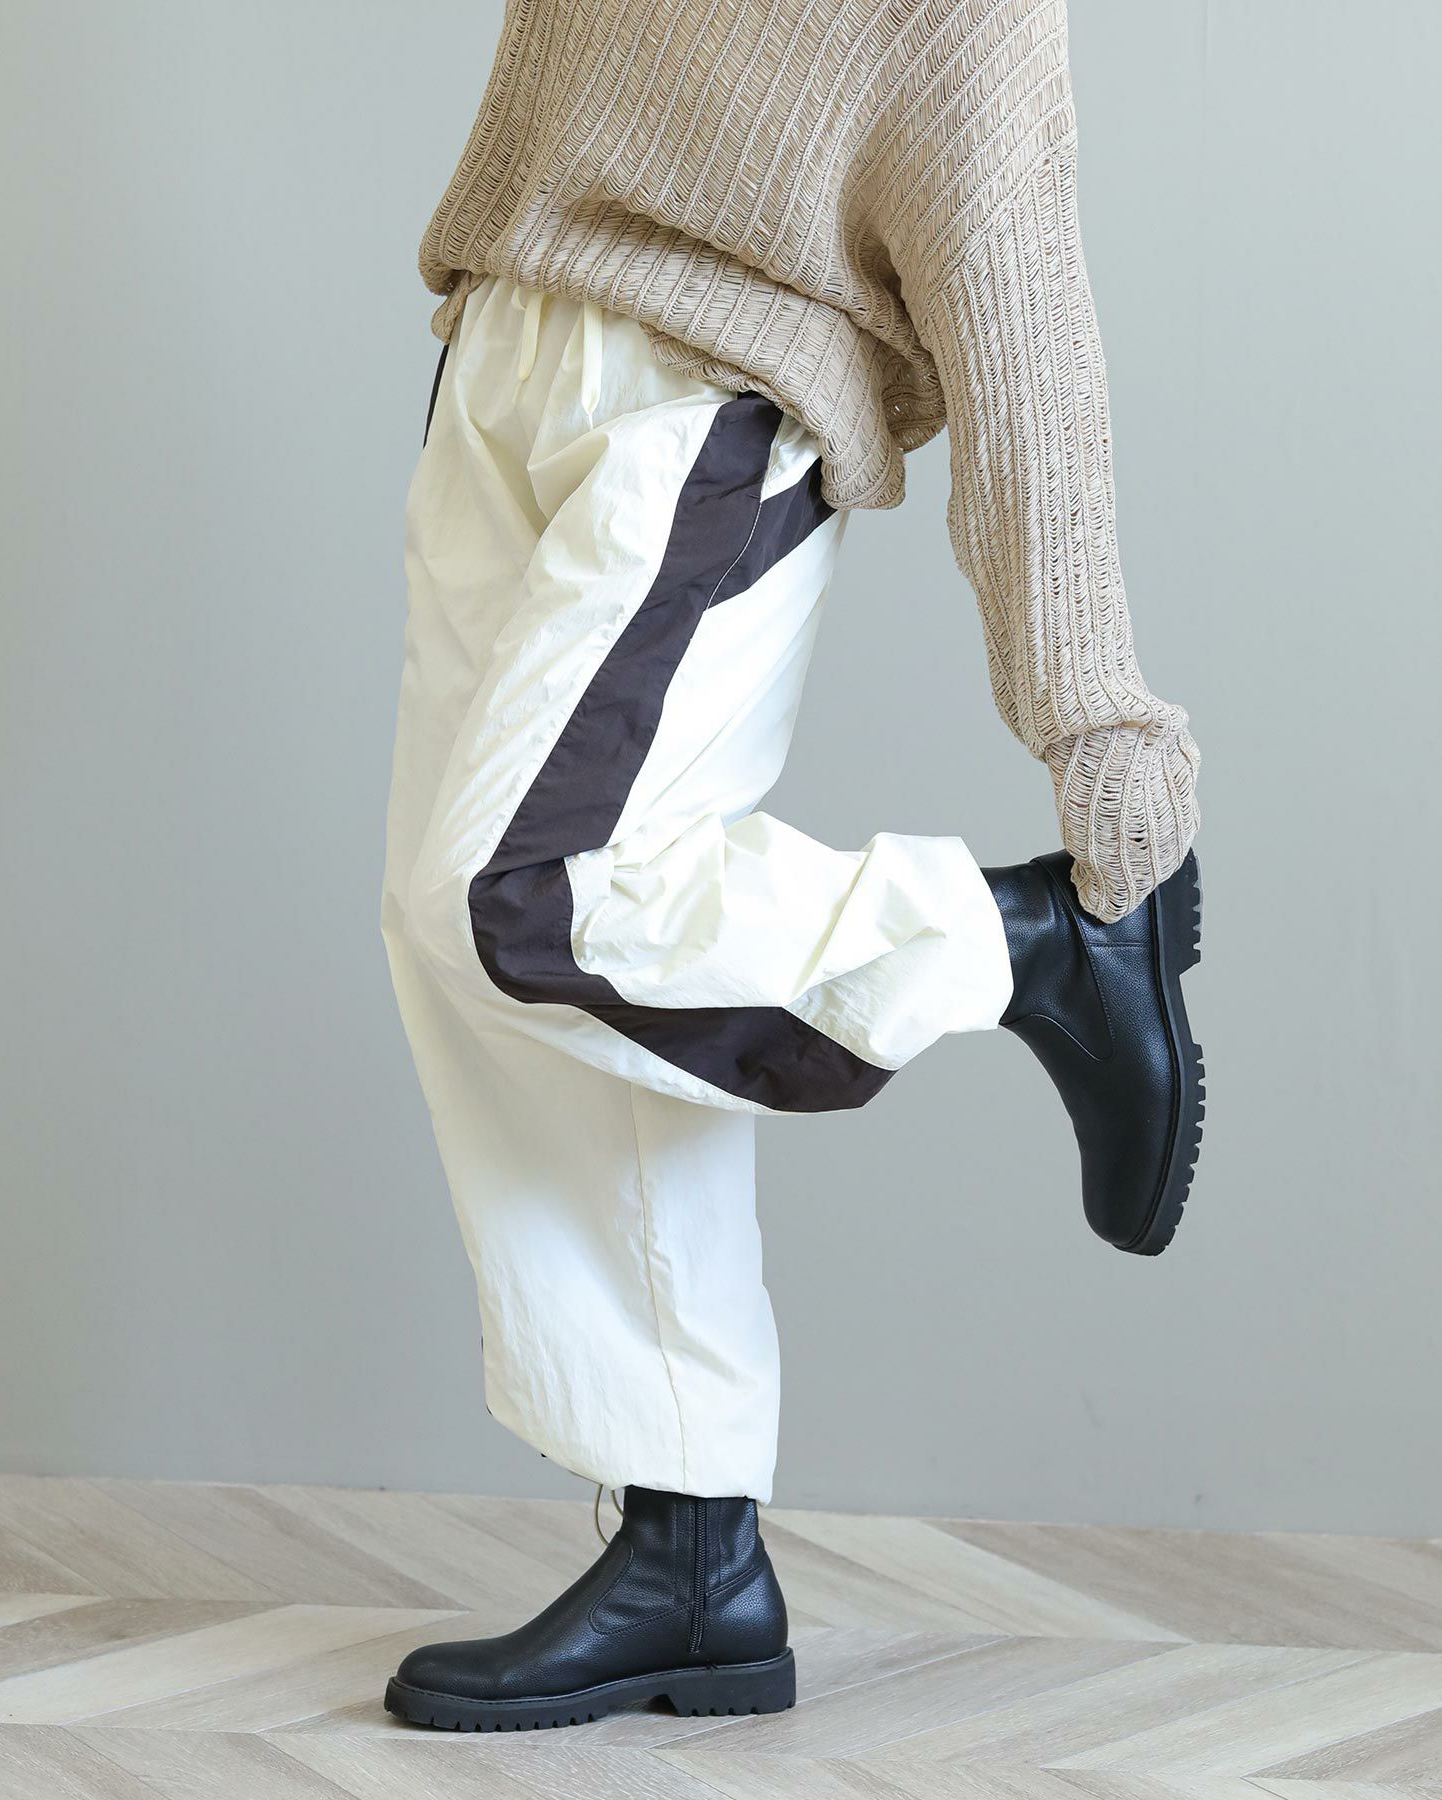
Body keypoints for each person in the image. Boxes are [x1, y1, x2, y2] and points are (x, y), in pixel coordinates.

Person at [380, 0, 1201, 1733]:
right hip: (511, 337)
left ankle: (1020, 944)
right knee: (469, 940)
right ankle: (689, 1555)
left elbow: (1027, 340)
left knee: (522, 896)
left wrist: (1103, 743)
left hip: (700, 408)